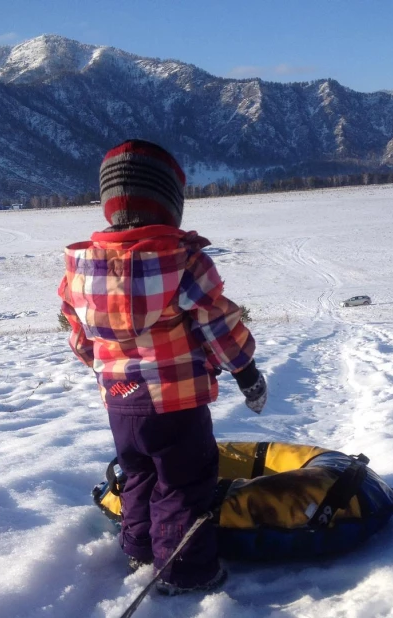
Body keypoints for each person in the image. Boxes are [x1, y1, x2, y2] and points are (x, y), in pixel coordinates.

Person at [58, 139, 267, 595]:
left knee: (138, 474)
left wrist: (101, 364)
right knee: (183, 482)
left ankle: (137, 548)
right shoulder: (183, 262)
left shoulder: (80, 269)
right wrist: (246, 372)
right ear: (172, 205)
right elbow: (219, 326)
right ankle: (187, 571)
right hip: (175, 401)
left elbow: (77, 328)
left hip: (119, 401)